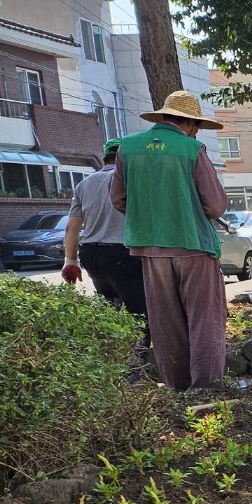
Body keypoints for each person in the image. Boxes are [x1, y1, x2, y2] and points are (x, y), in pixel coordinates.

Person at [110, 90, 229, 392]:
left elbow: (119, 199)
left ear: (163, 117)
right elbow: (215, 206)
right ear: (190, 123)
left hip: (151, 248)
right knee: (204, 320)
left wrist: (152, 216)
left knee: (166, 322)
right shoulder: (191, 149)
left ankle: (179, 388)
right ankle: (206, 388)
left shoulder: (127, 148)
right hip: (194, 246)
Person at [62, 138, 147, 331]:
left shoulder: (84, 184)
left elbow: (72, 228)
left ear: (104, 160)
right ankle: (135, 359)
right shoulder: (131, 180)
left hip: (92, 256)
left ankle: (110, 355)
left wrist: (71, 262)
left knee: (109, 311)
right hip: (122, 255)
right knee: (140, 317)